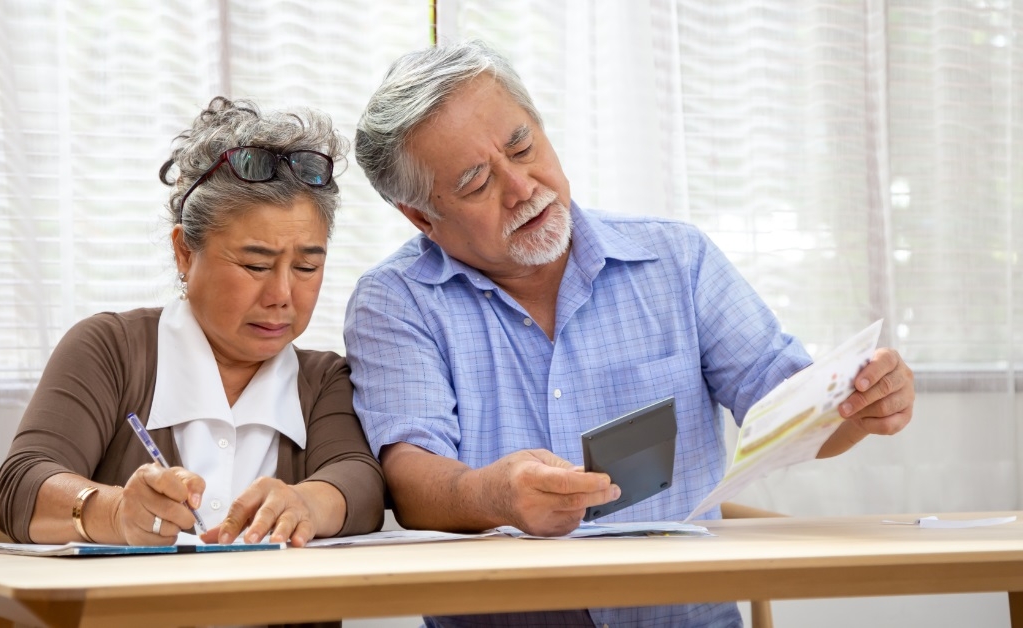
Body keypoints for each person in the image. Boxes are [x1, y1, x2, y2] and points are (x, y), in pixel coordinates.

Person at [345, 41, 914, 627]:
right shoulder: (396, 301)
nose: (521, 187)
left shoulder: (675, 259)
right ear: (420, 218)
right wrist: (496, 495)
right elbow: (411, 477)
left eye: (523, 147)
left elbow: (791, 407)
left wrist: (858, 404)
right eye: (475, 183)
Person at [0, 97, 385, 557]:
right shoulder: (109, 351)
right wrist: (115, 511)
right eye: (256, 264)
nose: (281, 294)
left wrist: (306, 502)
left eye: (305, 267)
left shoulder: (322, 381)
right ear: (184, 252)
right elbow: (21, 484)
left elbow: (361, 482)